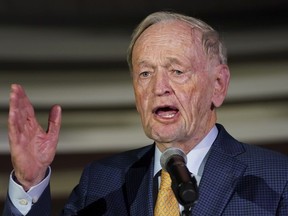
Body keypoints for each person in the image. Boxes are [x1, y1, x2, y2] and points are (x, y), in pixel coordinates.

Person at [3, 11, 288, 216]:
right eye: (145, 73)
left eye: (177, 71)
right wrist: (30, 182)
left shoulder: (276, 179)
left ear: (218, 85)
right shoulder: (100, 182)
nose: (158, 88)